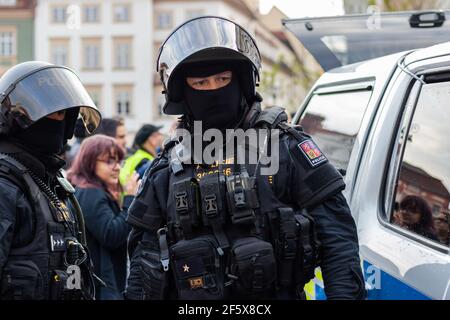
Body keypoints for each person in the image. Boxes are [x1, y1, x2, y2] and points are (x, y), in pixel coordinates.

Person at [125, 17, 366, 300]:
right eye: (201, 82)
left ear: (242, 82)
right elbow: (143, 265)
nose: (214, 89)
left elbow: (338, 243)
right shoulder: (166, 168)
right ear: (184, 92)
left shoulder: (286, 147)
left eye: (222, 79)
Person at [0, 61, 101, 299]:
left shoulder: (49, 179)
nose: (58, 120)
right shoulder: (5, 183)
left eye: (63, 114)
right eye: (50, 113)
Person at [67, 134, 139, 300]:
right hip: (102, 288)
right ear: (90, 162)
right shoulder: (90, 193)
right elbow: (112, 235)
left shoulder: (89, 190)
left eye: (118, 161)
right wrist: (129, 199)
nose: (117, 167)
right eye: (109, 161)